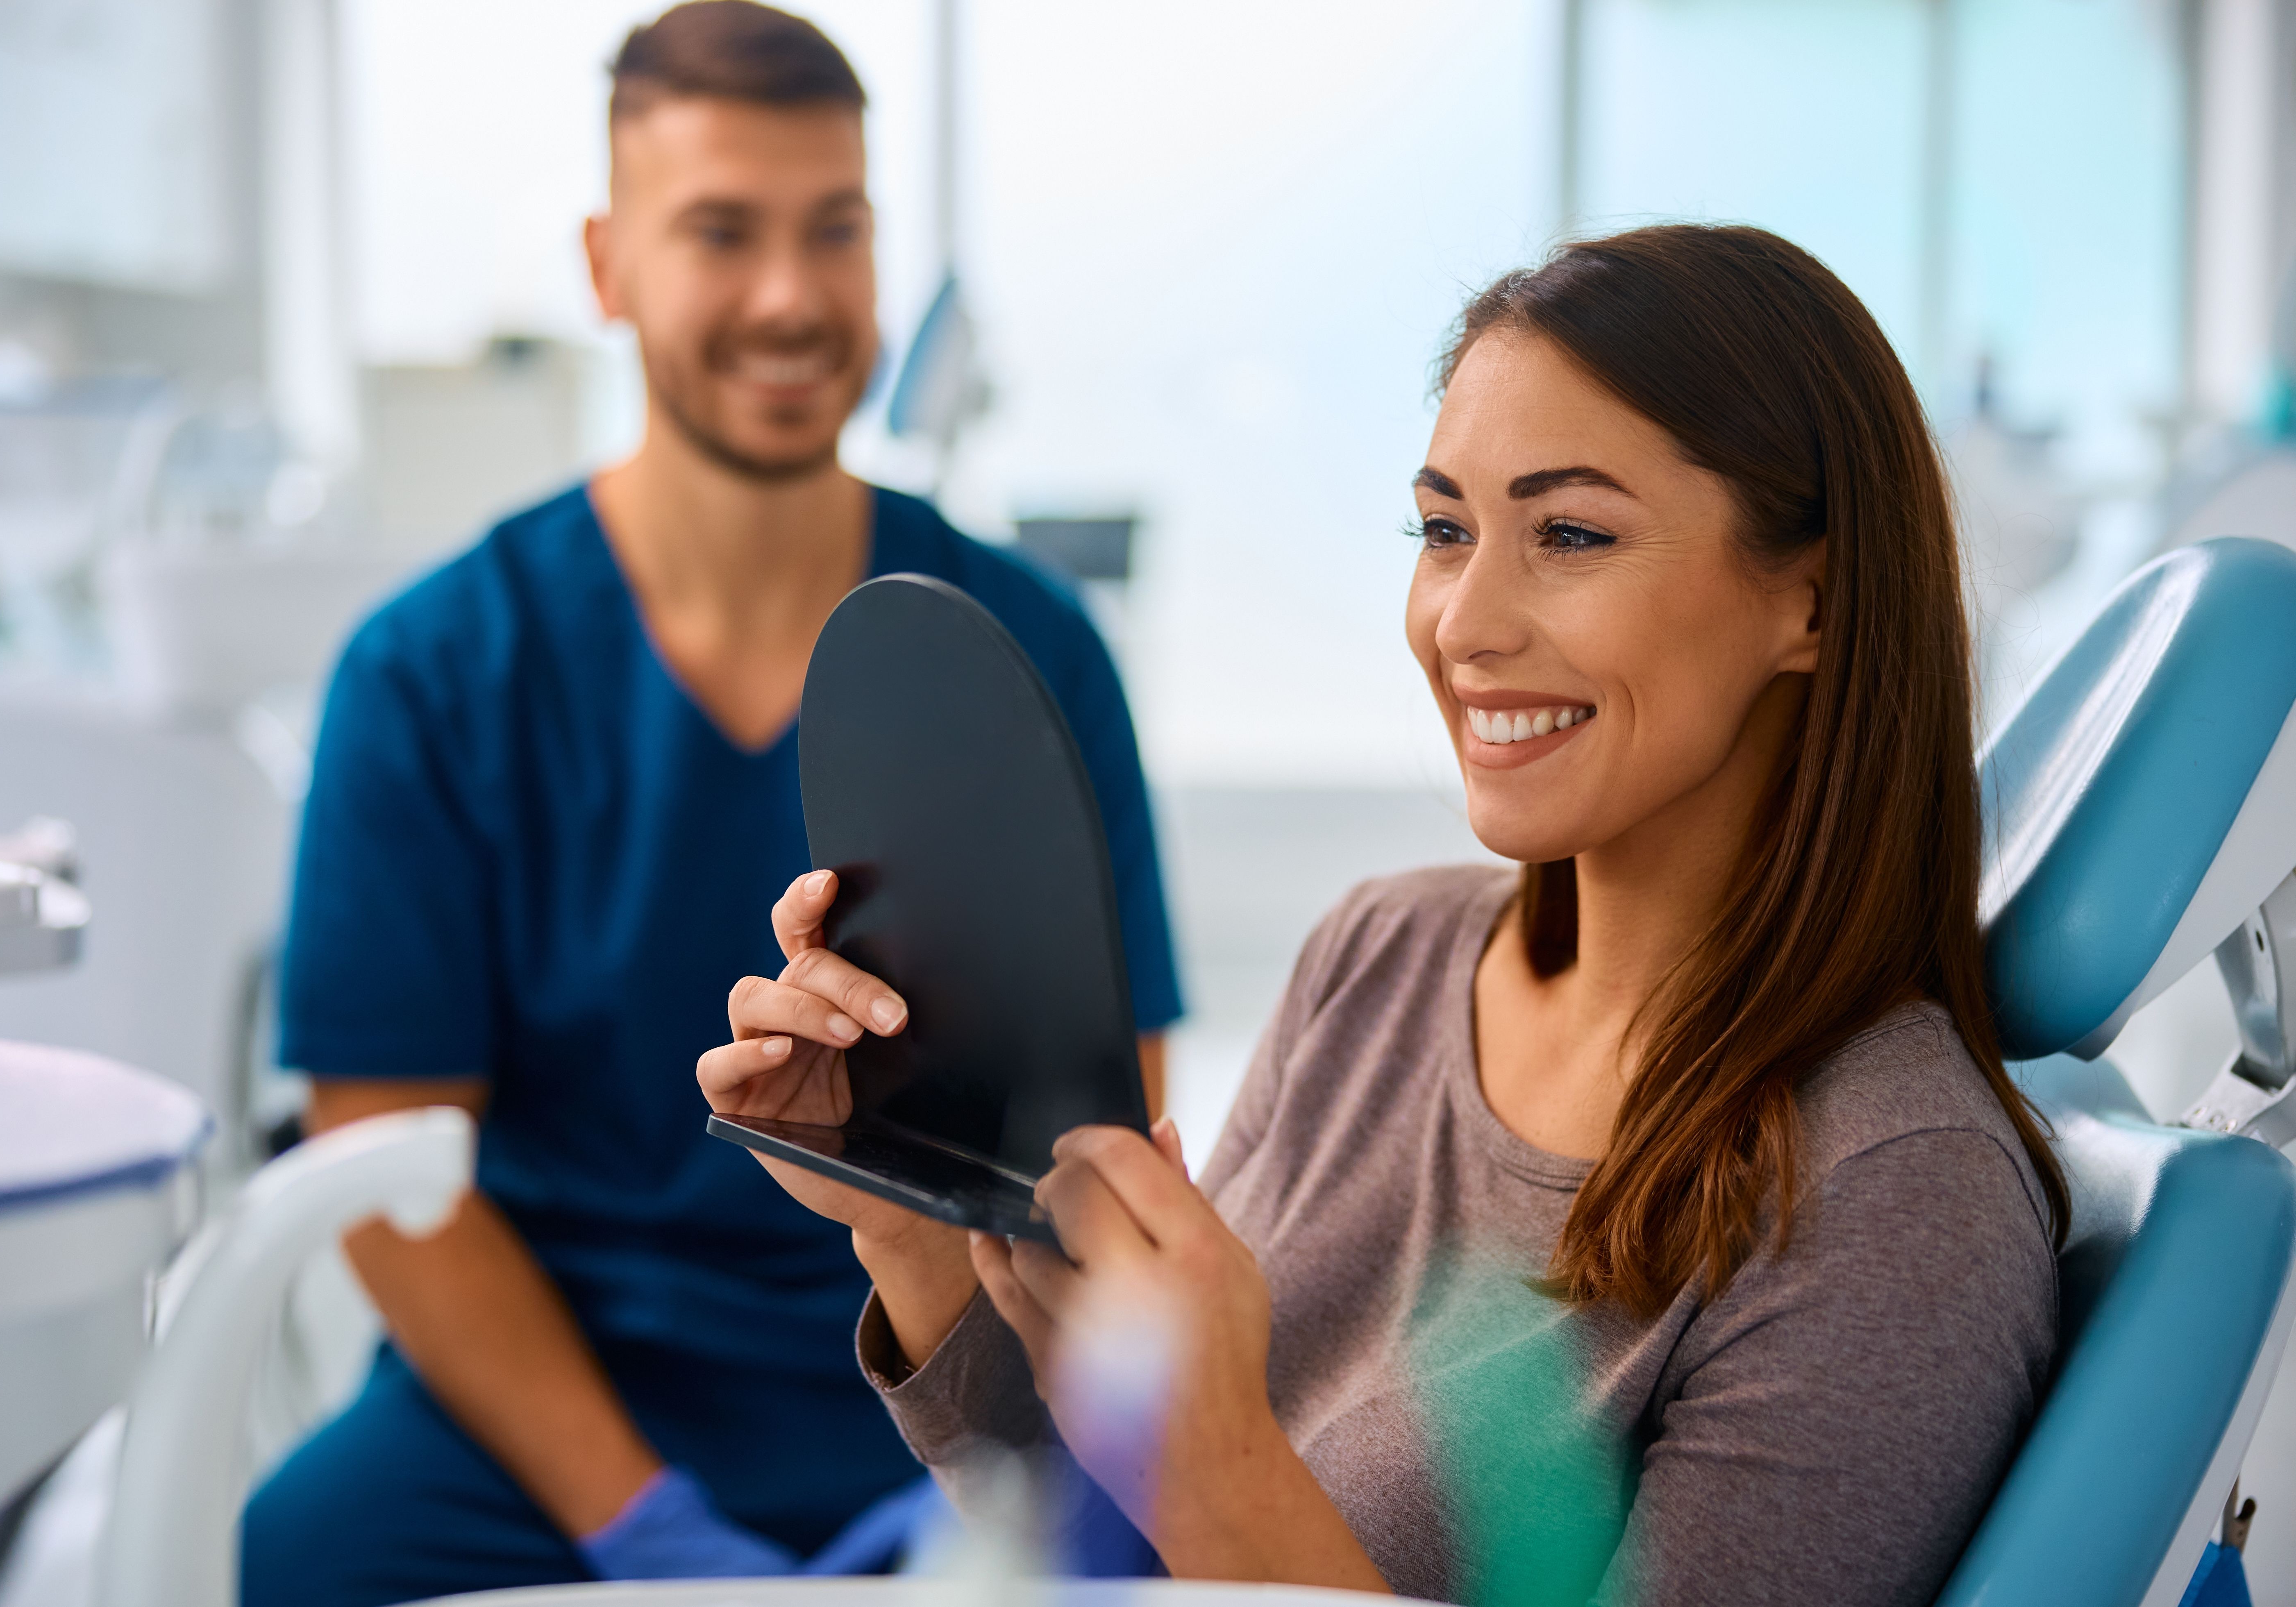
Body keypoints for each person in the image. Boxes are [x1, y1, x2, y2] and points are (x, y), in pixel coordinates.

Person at [702, 223, 2071, 1605]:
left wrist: (1220, 1452)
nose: (1463, 621)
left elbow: (1197, 1488)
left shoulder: (1895, 1189)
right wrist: (913, 1221)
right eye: (1443, 531)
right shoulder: (1381, 958)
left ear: (1815, 603)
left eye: (1572, 535)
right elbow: (1106, 1535)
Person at [240, 6, 1181, 1604]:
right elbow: (389, 1174)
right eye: (720, 234)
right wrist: (640, 1529)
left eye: (838, 230)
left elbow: (1111, 1127)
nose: (791, 297)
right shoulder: (433, 673)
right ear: (607, 268)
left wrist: (980, 1444)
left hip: (947, 1365)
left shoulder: (1024, 645)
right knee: (306, 1547)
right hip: (556, 1404)